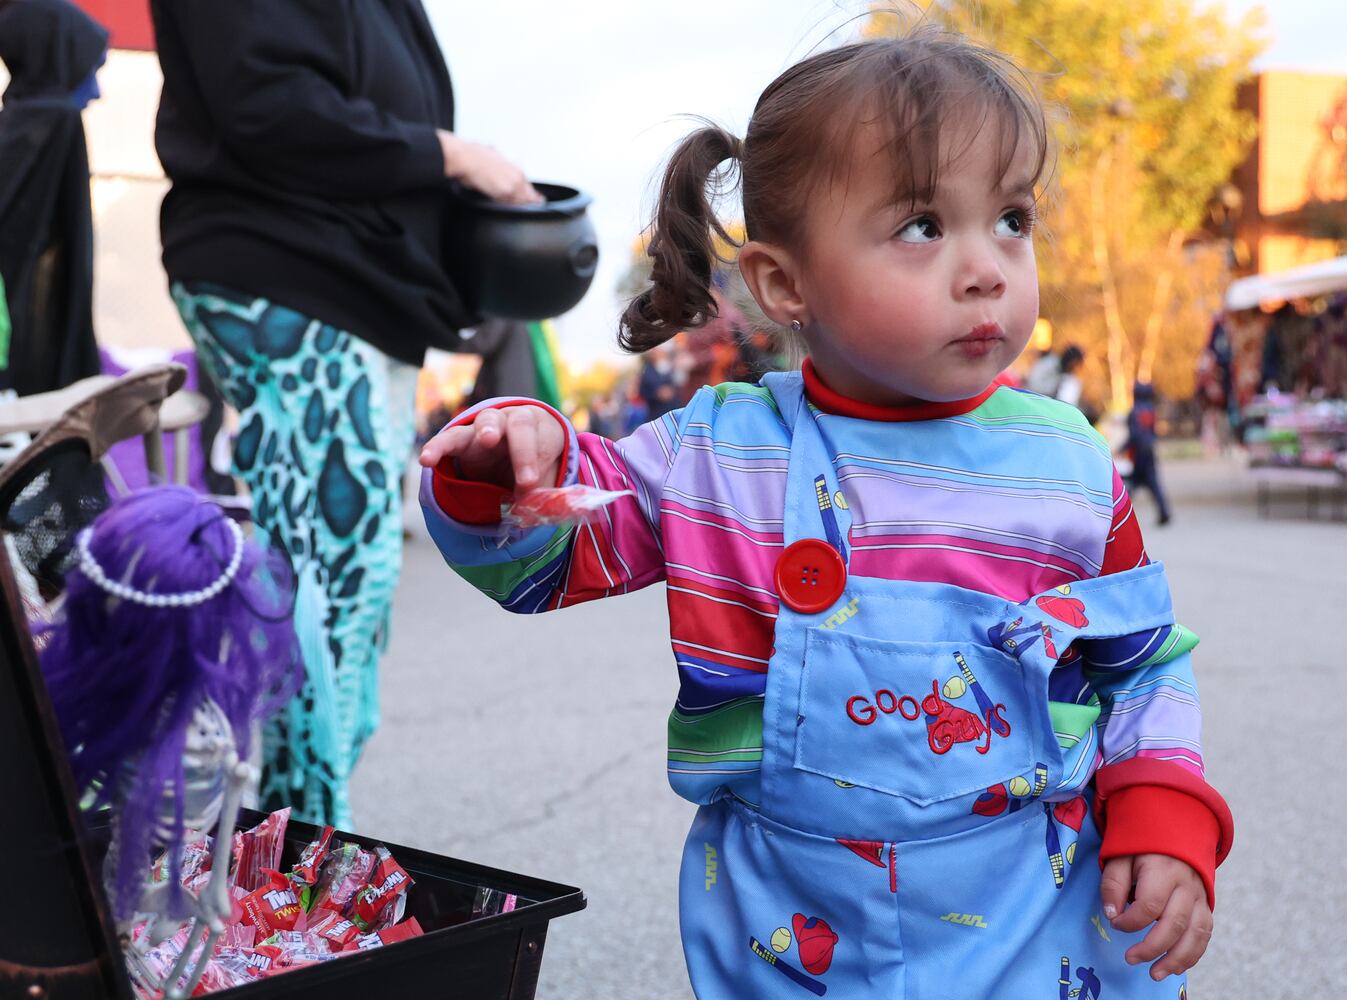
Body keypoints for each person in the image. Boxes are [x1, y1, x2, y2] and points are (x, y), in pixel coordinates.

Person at [418, 29, 1231, 999]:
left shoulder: (1068, 464)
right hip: (795, 923)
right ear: (784, 283)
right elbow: (544, 559)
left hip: (1032, 907)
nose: (986, 268)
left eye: (1011, 218)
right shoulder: (715, 455)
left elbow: (1143, 661)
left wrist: (1163, 810)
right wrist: (503, 471)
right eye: (923, 226)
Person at [149, 0, 538, 827]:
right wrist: (451, 155)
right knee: (324, 587)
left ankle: (292, 844)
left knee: (347, 589)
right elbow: (265, 100)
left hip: (350, 287)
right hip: (295, 272)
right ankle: (293, 853)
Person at [0, 0, 106, 397]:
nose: (96, 92)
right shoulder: (56, 123)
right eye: (89, 69)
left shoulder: (14, 127)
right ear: (57, 57)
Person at [1125, 382, 1172, 526]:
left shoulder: (1134, 412)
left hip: (1138, 454)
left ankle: (1120, 514)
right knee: (1154, 484)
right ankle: (1164, 512)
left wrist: (1122, 448)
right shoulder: (1151, 411)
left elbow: (1134, 435)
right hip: (1149, 451)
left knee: (1131, 484)